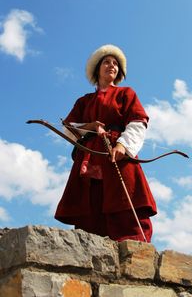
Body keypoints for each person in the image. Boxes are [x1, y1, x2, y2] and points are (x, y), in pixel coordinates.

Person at [55, 44, 157, 242]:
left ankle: (133, 247)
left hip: (117, 152)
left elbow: (138, 121)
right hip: (90, 156)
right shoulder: (84, 101)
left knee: (124, 198)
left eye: (116, 63)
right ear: (97, 69)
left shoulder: (126, 93)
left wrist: (123, 146)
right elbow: (69, 129)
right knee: (90, 202)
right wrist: (91, 126)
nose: (112, 65)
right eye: (106, 62)